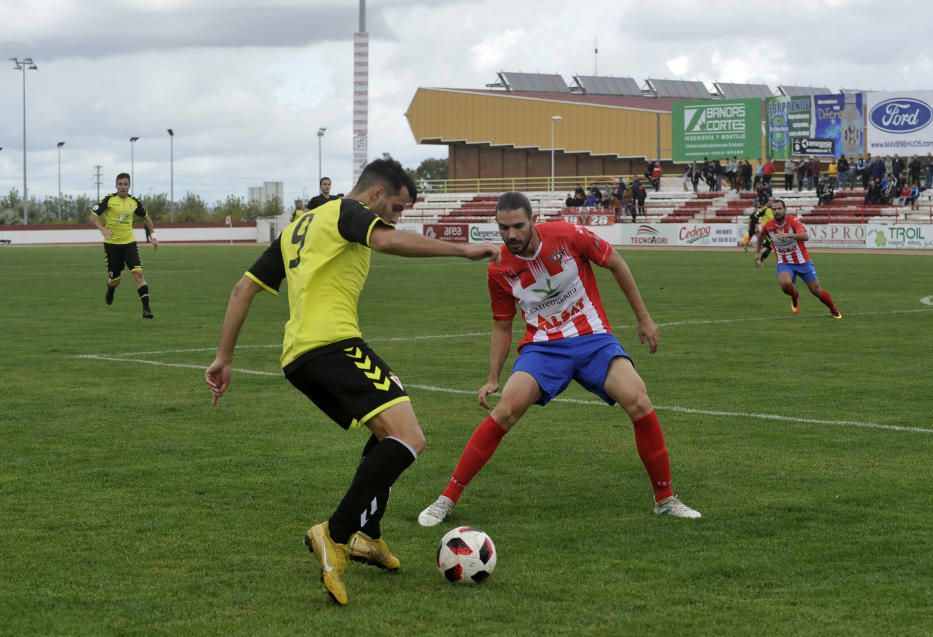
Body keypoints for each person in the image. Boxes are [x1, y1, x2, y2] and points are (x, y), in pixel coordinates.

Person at [204, 158, 499, 606]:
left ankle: (369, 534)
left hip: (299, 357)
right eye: (398, 208)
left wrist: (224, 356)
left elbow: (242, 289)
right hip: (333, 345)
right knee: (410, 438)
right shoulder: (349, 211)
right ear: (376, 194)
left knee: (387, 432)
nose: (397, 219)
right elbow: (385, 240)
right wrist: (461, 251)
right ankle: (336, 533)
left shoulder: (298, 227)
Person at [417, 191, 701, 528]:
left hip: (593, 339)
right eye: (503, 227)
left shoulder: (567, 235)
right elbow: (502, 325)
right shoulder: (499, 269)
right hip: (543, 348)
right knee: (506, 409)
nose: (511, 235)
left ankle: (665, 500)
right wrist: (493, 376)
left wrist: (643, 318)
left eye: (518, 226)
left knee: (638, 399)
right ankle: (446, 498)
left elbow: (616, 262)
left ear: (533, 219)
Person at [754, 199, 842, 319]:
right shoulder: (769, 225)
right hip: (784, 262)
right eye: (774, 209)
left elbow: (805, 236)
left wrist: (789, 235)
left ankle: (833, 309)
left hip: (803, 262)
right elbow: (761, 236)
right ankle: (795, 296)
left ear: (784, 209)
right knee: (785, 284)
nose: (777, 211)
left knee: (816, 290)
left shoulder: (793, 221)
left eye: (779, 208)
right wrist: (757, 253)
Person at [90, 172, 157, 319]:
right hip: (112, 246)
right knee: (115, 280)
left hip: (129, 244)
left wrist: (154, 236)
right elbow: (93, 217)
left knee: (138, 273)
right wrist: (103, 230)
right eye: (120, 184)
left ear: (129, 186)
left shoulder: (134, 202)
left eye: (125, 184)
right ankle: (111, 288)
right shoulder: (109, 200)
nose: (123, 187)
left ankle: (146, 309)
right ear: (116, 185)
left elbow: (146, 218)